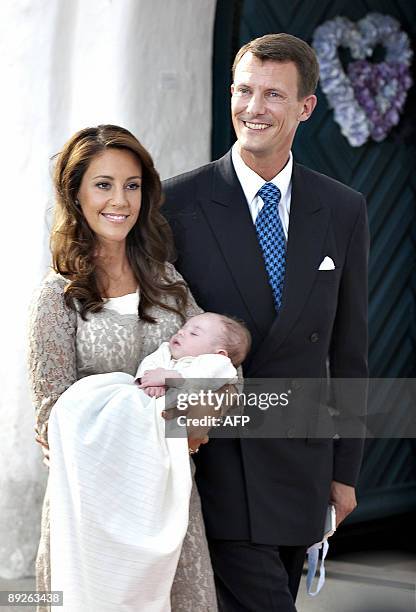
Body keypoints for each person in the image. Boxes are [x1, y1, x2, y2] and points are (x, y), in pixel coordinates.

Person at [162, 33, 369, 611]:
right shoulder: (178, 204)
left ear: (305, 107)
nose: (252, 109)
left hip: (300, 468)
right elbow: (155, 334)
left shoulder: (344, 209)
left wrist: (344, 470)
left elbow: (349, 350)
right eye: (244, 90)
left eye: (272, 95)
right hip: (215, 464)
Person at [28, 124, 218, 612]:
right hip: (90, 509)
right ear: (75, 193)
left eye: (132, 185)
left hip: (168, 505)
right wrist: (157, 416)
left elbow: (217, 368)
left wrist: (197, 415)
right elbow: (53, 413)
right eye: (103, 184)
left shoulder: (167, 281)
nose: (120, 200)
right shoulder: (58, 295)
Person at [46, 313, 248, 612]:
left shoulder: (216, 364)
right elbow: (147, 371)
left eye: (195, 333)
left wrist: (168, 380)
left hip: (171, 419)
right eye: (184, 328)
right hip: (146, 408)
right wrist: (150, 379)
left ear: (219, 351)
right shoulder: (166, 352)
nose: (182, 333)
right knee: (103, 389)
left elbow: (207, 383)